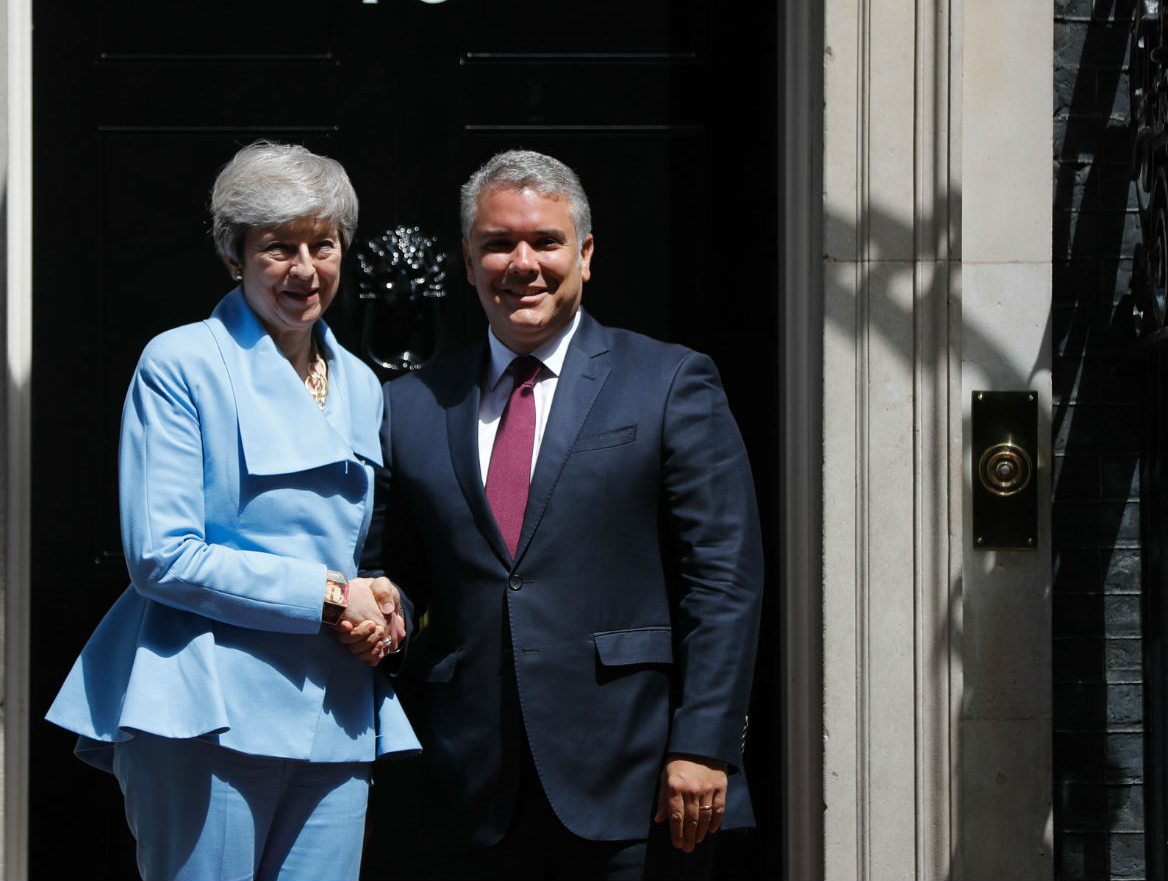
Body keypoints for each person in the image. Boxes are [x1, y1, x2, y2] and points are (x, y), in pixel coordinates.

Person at [359, 150, 763, 879]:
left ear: (586, 252)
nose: (522, 263)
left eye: (545, 241)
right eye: (497, 243)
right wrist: (380, 601)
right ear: (467, 257)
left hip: (639, 783)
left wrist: (705, 743)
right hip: (467, 787)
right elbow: (397, 570)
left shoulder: (670, 381)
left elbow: (725, 580)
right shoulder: (411, 405)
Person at [47, 141, 418, 881]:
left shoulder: (362, 385)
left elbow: (353, 548)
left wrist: (381, 597)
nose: (305, 270)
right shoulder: (181, 363)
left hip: (334, 708)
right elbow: (162, 554)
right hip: (205, 705)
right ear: (233, 256)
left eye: (323, 244)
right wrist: (327, 594)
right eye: (278, 248)